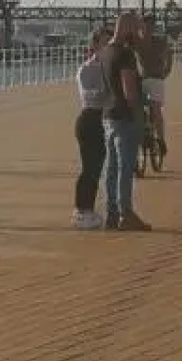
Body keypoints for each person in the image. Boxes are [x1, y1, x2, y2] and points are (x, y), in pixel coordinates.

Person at [100, 13, 150, 231]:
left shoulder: (104, 52)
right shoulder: (125, 55)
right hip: (125, 117)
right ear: (128, 28)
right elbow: (129, 90)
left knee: (110, 167)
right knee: (125, 167)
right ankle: (126, 213)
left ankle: (111, 212)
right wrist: (140, 113)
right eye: (137, 29)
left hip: (109, 115)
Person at [71, 29, 110, 230]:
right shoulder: (86, 69)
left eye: (109, 43)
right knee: (89, 166)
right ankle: (81, 210)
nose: (107, 47)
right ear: (94, 45)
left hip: (105, 119)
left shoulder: (111, 66)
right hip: (89, 119)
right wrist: (107, 88)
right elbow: (89, 94)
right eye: (103, 43)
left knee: (98, 167)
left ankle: (90, 208)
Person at [135, 15, 174, 161]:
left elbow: (169, 54)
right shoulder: (136, 42)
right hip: (142, 80)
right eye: (146, 26)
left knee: (156, 109)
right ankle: (140, 134)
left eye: (151, 26)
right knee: (135, 108)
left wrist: (167, 70)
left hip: (157, 78)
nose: (148, 29)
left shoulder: (160, 41)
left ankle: (161, 140)